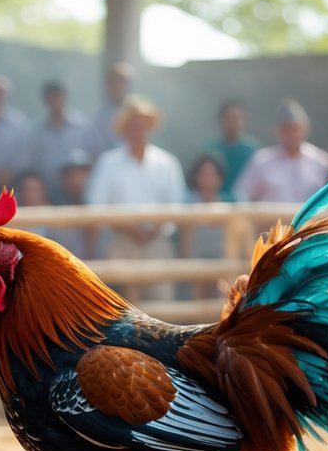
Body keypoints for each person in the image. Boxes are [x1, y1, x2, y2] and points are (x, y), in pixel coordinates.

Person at [85, 96, 185, 300]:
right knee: (129, 308)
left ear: (150, 128)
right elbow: (96, 206)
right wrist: (129, 229)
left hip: (157, 241)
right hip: (121, 242)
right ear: (125, 129)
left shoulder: (167, 163)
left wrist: (154, 229)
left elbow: (176, 205)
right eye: (134, 125)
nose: (139, 131)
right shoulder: (108, 163)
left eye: (143, 125)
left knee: (162, 304)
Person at [233, 99, 328, 204]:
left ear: (305, 129)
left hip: (311, 220)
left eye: (295, 129)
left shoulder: (322, 161)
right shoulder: (261, 161)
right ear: (277, 131)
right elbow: (242, 196)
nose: (291, 134)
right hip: (272, 220)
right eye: (286, 129)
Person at [20, 80, 103, 203]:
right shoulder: (37, 131)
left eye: (57, 96)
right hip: (49, 195)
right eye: (51, 97)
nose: (55, 101)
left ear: (65, 97)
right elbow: (30, 164)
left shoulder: (83, 126)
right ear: (45, 100)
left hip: (82, 194)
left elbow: (98, 157)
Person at [178, 152, 229, 299]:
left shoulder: (228, 206)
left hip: (222, 268)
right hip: (196, 268)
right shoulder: (188, 205)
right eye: (204, 174)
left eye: (212, 174)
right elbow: (185, 249)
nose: (208, 178)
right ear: (196, 176)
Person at [47, 151, 96, 259]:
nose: (75, 179)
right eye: (70, 174)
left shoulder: (97, 201)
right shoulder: (53, 206)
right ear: (63, 178)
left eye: (80, 173)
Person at [206, 100, 257, 200]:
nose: (232, 124)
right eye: (228, 119)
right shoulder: (210, 150)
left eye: (236, 119)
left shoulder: (252, 152)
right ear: (221, 121)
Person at [94, 61, 133, 147]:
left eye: (119, 81)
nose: (115, 86)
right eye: (112, 82)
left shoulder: (136, 111)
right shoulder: (102, 114)